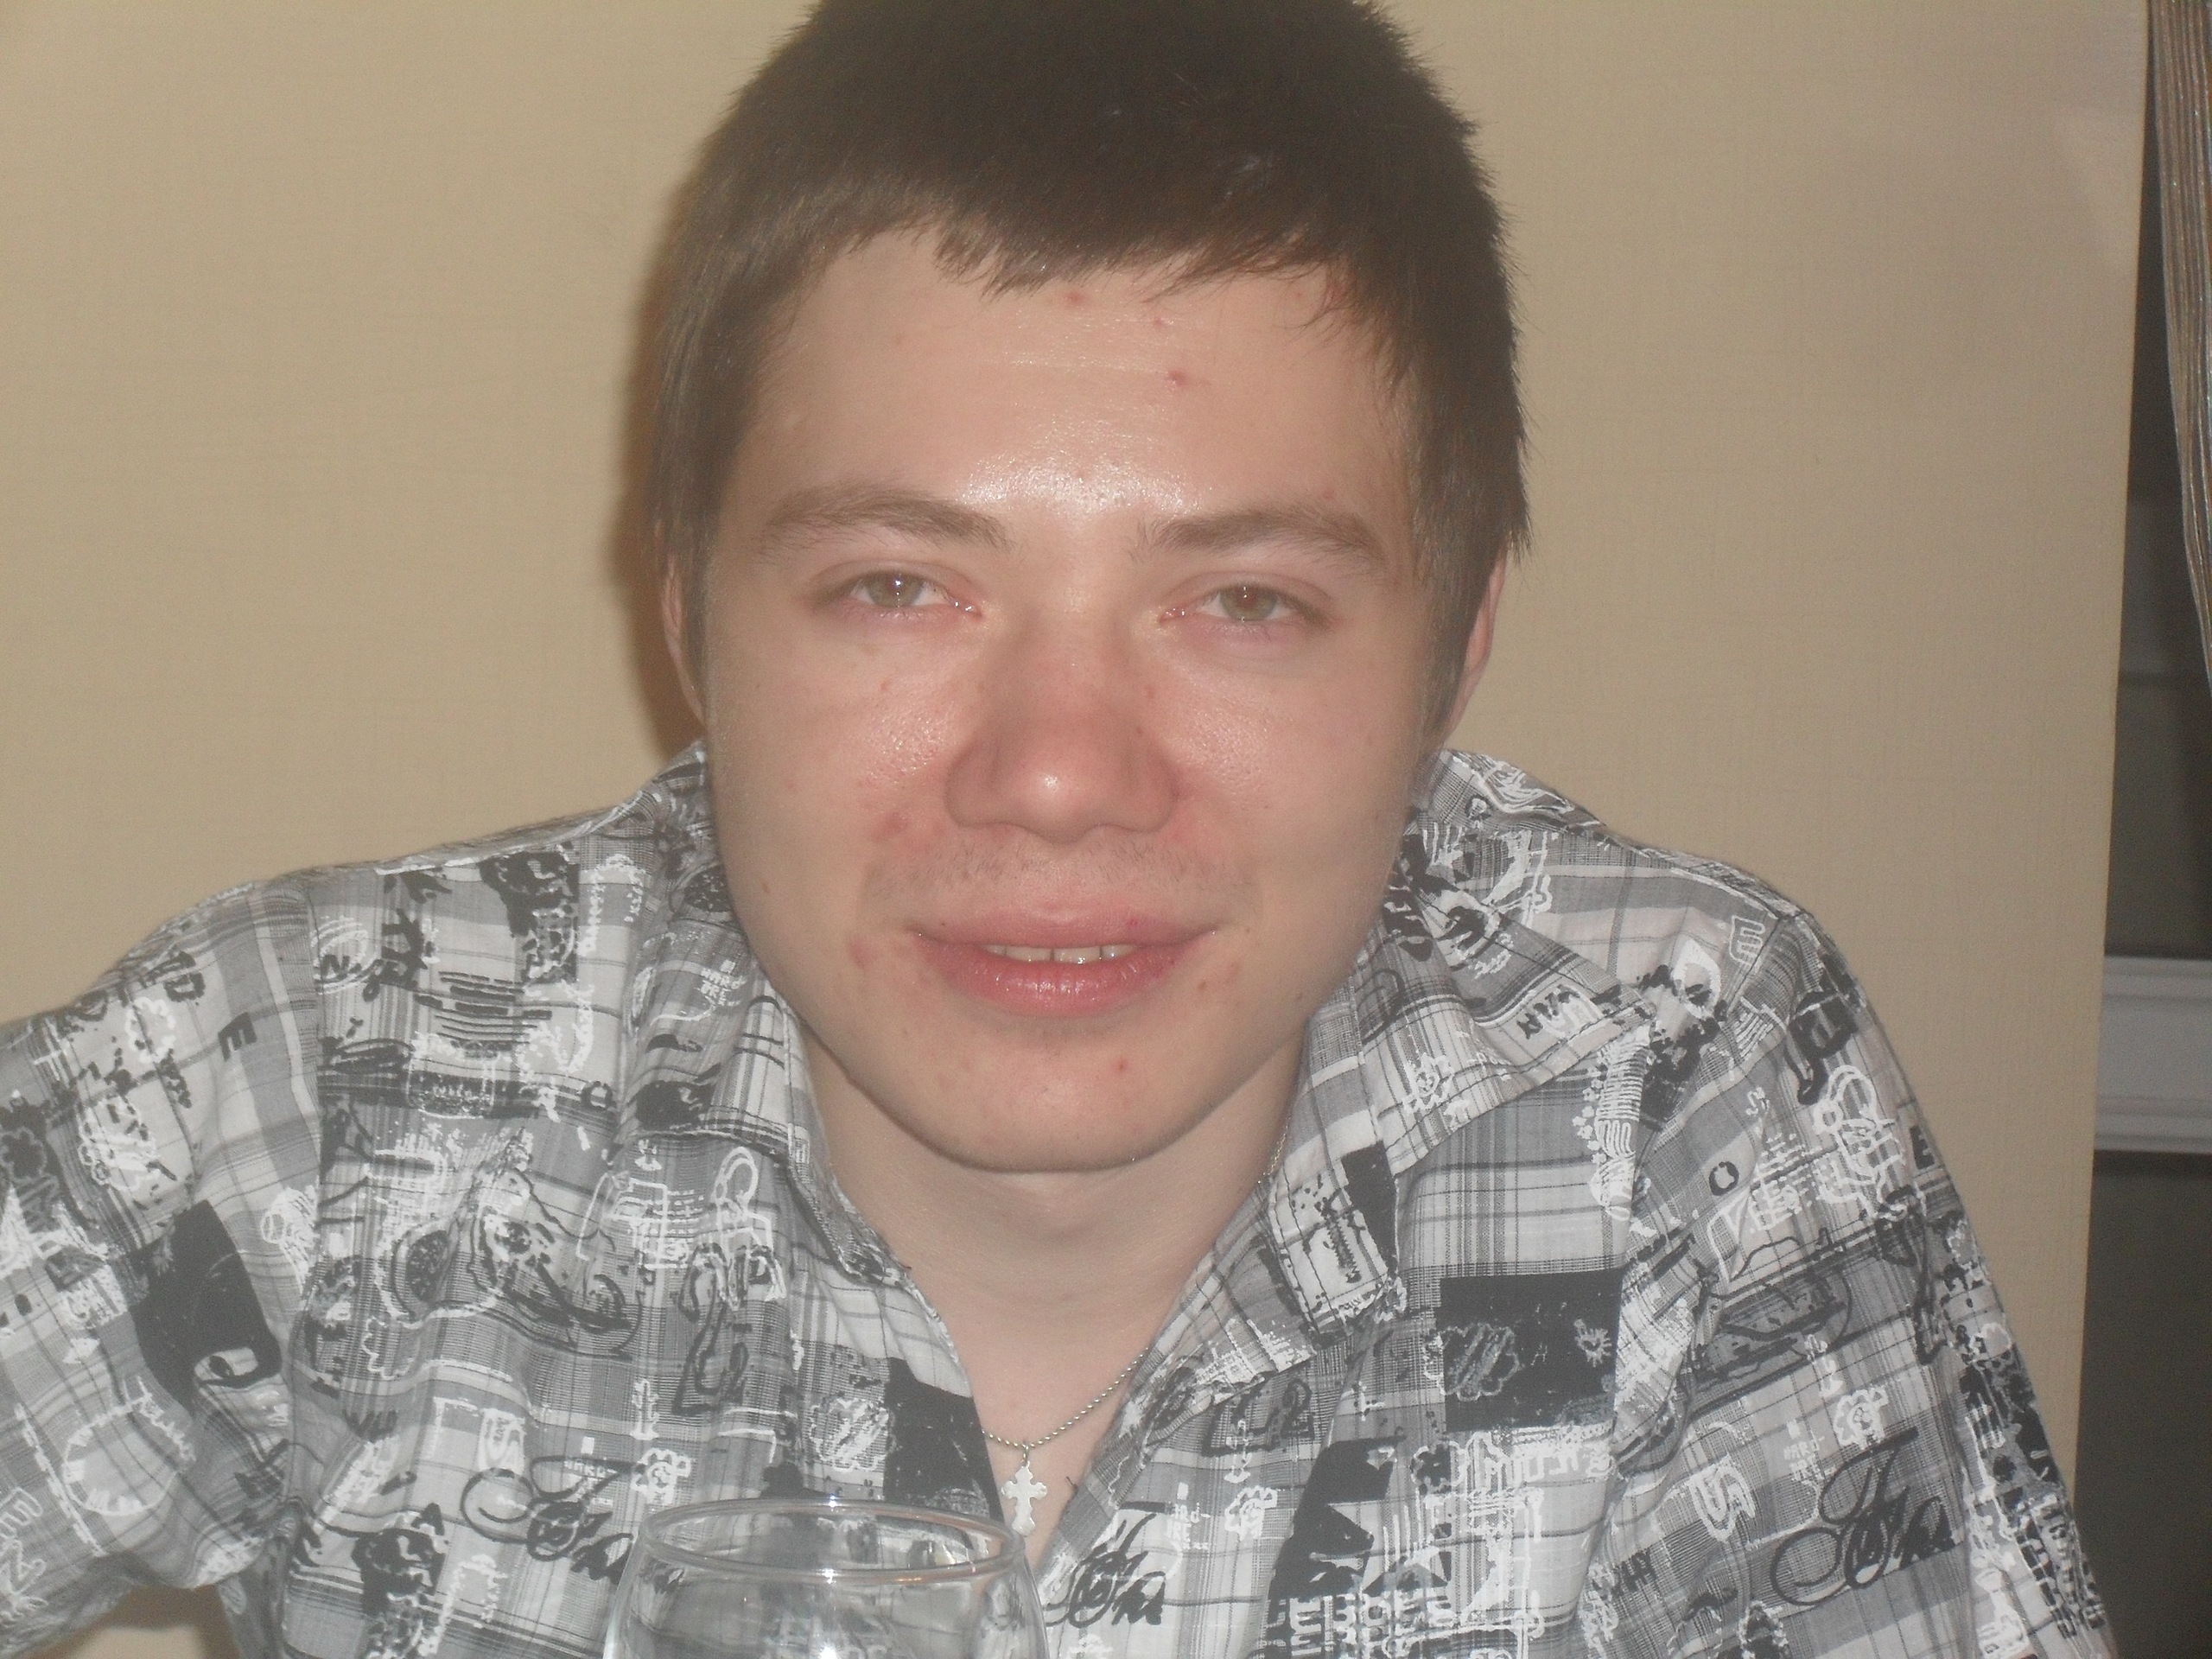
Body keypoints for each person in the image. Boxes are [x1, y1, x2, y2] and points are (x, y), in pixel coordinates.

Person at [0, 3, 2109, 1656]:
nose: (1055, 771)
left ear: (1449, 659)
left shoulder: (1681, 1093)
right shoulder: (325, 1082)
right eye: (895, 586)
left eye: (1244, 603)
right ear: (688, 621)